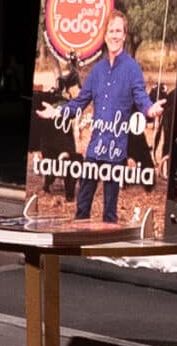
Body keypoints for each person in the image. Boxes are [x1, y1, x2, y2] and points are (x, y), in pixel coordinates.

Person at [43, 12, 160, 223]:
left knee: (109, 211)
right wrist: (57, 111)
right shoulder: (97, 71)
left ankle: (107, 241)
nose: (114, 35)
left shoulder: (132, 68)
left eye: (118, 31)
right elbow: (80, 102)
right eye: (111, 31)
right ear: (105, 36)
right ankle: (79, 239)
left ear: (124, 35)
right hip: (94, 148)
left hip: (116, 151)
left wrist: (150, 110)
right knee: (82, 205)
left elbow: (141, 97)